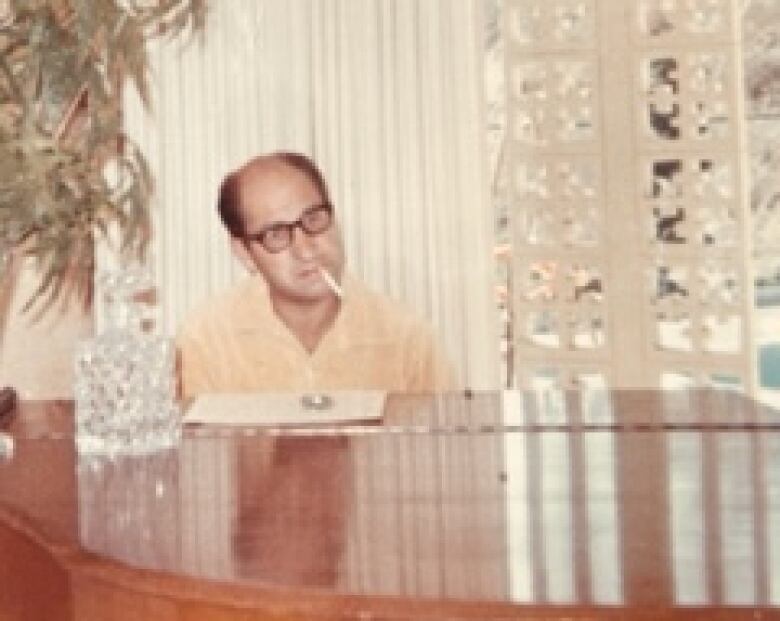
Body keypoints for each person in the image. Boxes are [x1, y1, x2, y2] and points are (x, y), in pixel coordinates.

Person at [177, 151, 454, 398]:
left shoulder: (407, 338)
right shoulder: (206, 342)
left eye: (313, 219)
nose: (306, 249)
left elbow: (446, 449)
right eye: (276, 234)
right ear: (245, 253)